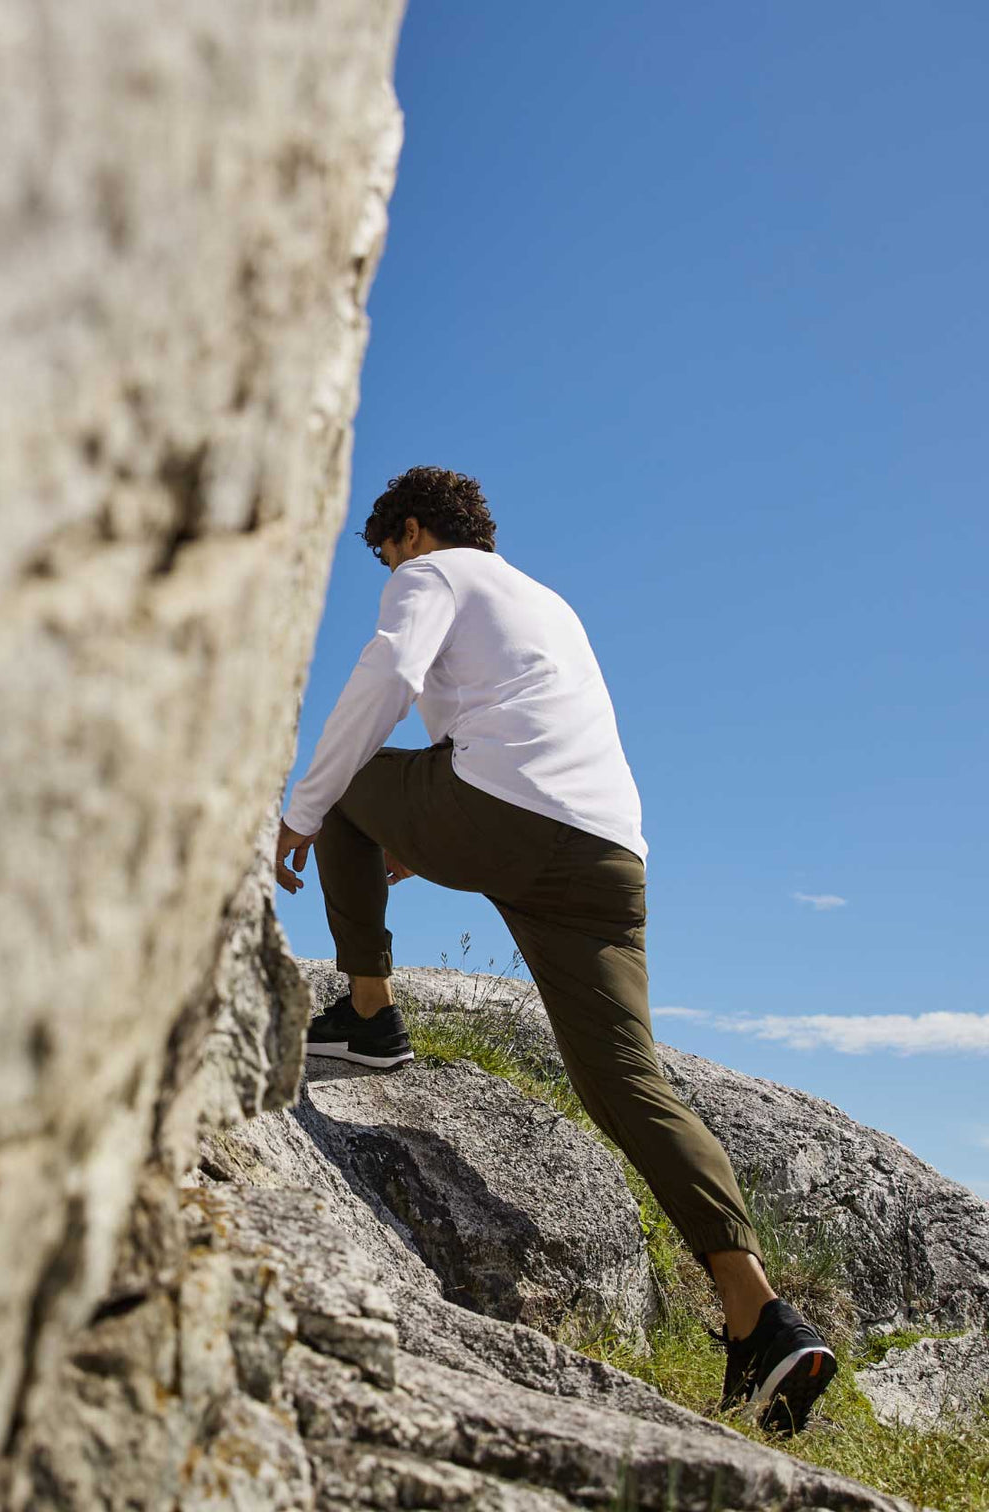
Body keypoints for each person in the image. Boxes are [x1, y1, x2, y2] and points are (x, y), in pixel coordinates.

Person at [275, 465, 835, 1434]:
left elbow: (387, 682)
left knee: (352, 779)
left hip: (512, 817)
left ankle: (369, 1017)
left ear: (412, 531)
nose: (388, 570)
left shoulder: (434, 574)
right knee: (627, 1081)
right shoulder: (547, 603)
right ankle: (762, 1317)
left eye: (385, 553)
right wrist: (412, 842)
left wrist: (306, 811)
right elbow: (523, 737)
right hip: (609, 856)